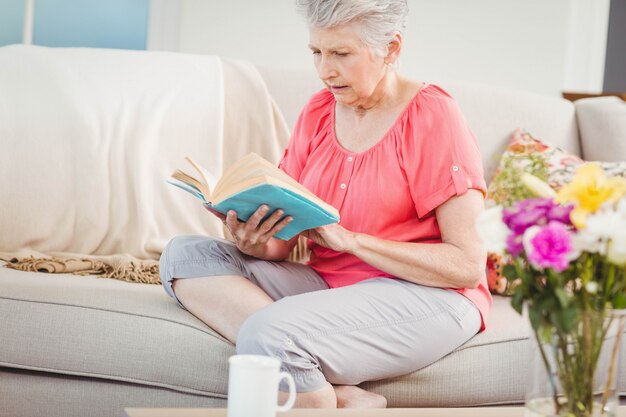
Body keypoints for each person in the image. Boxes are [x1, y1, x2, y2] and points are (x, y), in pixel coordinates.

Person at [159, 0, 491, 409]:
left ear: (391, 49)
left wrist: (353, 241)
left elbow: (467, 266)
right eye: (317, 52)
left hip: (429, 295)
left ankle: (292, 357)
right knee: (184, 256)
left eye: (341, 54)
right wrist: (253, 239)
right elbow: (284, 244)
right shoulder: (319, 110)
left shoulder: (432, 116)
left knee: (271, 332)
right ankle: (336, 393)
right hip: (329, 284)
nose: (324, 70)